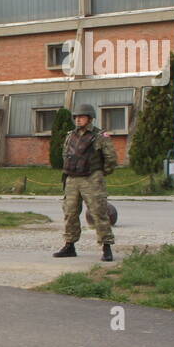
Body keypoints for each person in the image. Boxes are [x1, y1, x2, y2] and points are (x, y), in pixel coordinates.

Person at [53, 103, 118, 262]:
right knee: (70, 213)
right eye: (76, 117)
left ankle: (106, 246)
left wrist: (100, 173)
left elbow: (111, 158)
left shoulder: (100, 136)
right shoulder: (70, 135)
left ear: (90, 118)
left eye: (81, 117)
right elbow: (65, 154)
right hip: (72, 179)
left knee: (98, 212)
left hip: (92, 178)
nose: (77, 119)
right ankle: (70, 245)